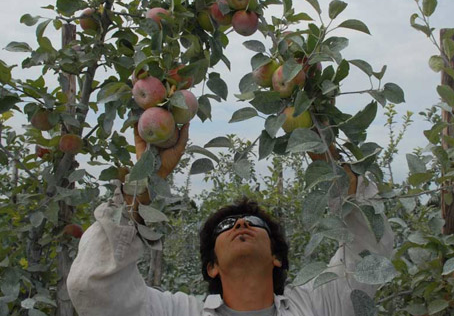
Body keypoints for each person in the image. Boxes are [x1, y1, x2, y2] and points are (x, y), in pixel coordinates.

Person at [67, 124, 394, 315]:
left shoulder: (320, 304)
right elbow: (93, 286)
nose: (241, 224)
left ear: (276, 257)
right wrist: (144, 182)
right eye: (228, 225)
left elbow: (371, 251)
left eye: (255, 223)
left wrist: (326, 158)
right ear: (212, 266)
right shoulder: (179, 312)